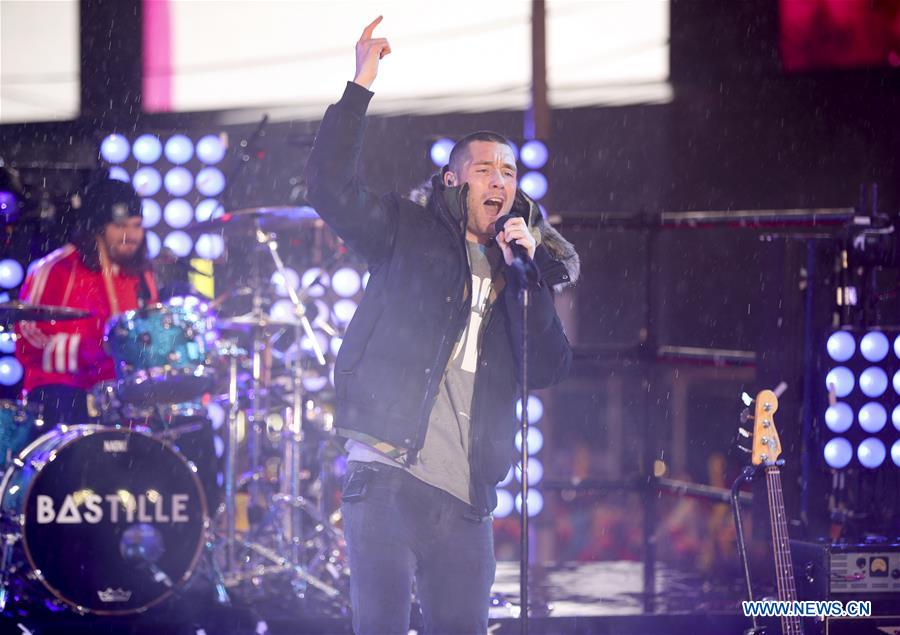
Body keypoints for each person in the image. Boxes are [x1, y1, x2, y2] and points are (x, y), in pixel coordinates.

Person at [304, 16, 579, 634]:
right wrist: (359, 86)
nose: (499, 181)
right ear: (454, 180)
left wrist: (529, 275)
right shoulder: (407, 230)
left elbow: (550, 367)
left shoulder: (519, 269)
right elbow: (328, 188)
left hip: (467, 499)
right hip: (386, 478)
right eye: (485, 170)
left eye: (509, 173)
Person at [15, 177, 157, 425]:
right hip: (62, 393)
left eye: (136, 226)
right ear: (97, 229)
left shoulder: (140, 276)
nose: (131, 236)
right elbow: (26, 338)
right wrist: (89, 350)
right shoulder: (56, 269)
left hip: (119, 397)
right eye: (120, 226)